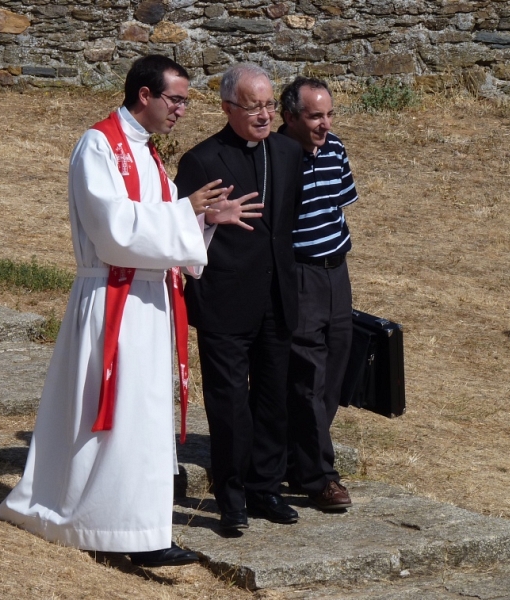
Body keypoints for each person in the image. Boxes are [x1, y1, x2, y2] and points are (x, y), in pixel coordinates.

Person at [0, 54, 257, 568]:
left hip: (148, 300)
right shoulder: (100, 145)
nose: (182, 109)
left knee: (146, 416)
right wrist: (187, 212)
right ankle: (112, 524)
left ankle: (142, 526)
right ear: (145, 95)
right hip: (111, 299)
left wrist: (204, 221)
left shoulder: (149, 155)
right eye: (175, 99)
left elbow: (159, 227)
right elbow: (115, 230)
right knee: (117, 416)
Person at [174, 64, 303, 531]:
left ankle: (265, 487)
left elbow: (289, 223)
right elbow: (176, 232)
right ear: (228, 107)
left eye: (270, 105)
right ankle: (230, 499)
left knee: (272, 398)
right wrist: (209, 220)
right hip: (224, 300)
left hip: (277, 298)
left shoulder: (288, 153)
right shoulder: (201, 160)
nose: (266, 115)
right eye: (254, 107)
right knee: (229, 405)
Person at [279, 76, 358, 510]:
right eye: (315, 116)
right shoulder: (276, 156)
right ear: (290, 116)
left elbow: (337, 207)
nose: (324, 124)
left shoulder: (335, 149)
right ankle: (320, 477)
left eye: (329, 114)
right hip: (300, 275)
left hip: (336, 271)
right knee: (307, 373)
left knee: (335, 370)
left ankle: (300, 454)